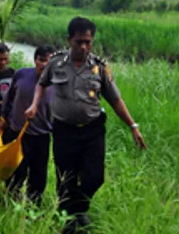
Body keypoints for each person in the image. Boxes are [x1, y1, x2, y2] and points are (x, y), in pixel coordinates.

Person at [25, 17, 147, 233]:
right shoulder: (55, 63)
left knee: (95, 177)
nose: (84, 47)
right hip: (64, 131)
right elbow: (41, 85)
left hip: (92, 130)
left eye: (88, 42)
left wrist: (133, 126)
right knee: (66, 178)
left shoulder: (99, 68)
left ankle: (78, 209)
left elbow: (115, 99)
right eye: (79, 41)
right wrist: (35, 105)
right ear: (69, 39)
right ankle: (67, 221)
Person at [0, 45, 55, 207]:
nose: (44, 64)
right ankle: (11, 202)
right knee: (15, 171)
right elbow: (8, 98)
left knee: (38, 174)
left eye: (49, 62)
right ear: (35, 60)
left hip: (41, 135)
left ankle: (33, 205)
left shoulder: (58, 83)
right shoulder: (21, 75)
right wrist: (3, 117)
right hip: (17, 133)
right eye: (41, 60)